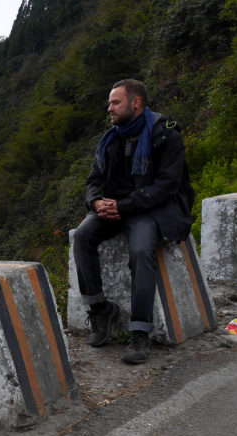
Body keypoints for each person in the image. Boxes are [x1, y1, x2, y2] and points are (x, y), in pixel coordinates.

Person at [73, 79, 194, 364]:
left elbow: (167, 186)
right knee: (82, 237)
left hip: (147, 211)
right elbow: (94, 181)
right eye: (109, 103)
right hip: (115, 208)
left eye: (115, 103)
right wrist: (96, 202)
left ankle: (141, 332)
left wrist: (125, 205)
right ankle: (100, 309)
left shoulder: (167, 136)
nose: (109, 109)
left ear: (135, 103)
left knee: (141, 251)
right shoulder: (110, 139)